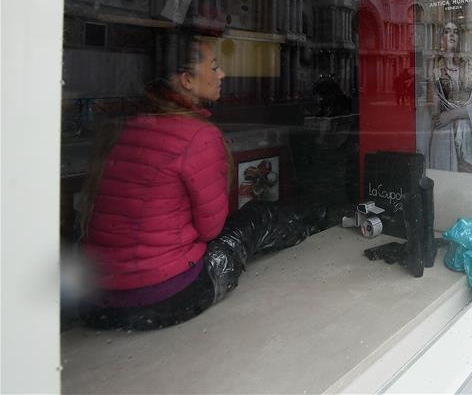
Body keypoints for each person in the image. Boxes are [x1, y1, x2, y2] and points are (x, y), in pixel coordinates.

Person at [79, 33, 319, 330]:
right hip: (163, 298)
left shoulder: (125, 127)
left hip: (96, 297)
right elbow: (211, 229)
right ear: (187, 80)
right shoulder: (197, 136)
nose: (222, 74)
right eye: (215, 66)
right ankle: (314, 225)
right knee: (259, 214)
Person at [426, 21, 472, 174]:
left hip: (470, 133)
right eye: (447, 31)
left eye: (455, 31)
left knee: (470, 184)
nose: (452, 34)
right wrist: (431, 75)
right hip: (444, 137)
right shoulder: (436, 69)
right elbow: (435, 113)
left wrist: (452, 114)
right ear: (440, 38)